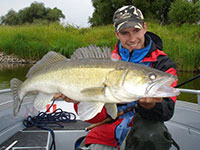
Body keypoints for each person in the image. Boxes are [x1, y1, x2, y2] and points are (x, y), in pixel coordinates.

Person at [55, 5, 178, 150]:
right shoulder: (107, 61)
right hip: (108, 132)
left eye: (136, 30)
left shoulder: (163, 64)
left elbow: (167, 111)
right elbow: (94, 117)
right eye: (125, 33)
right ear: (116, 34)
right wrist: (80, 98)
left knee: (152, 136)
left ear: (144, 27)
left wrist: (151, 106)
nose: (132, 38)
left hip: (143, 133)